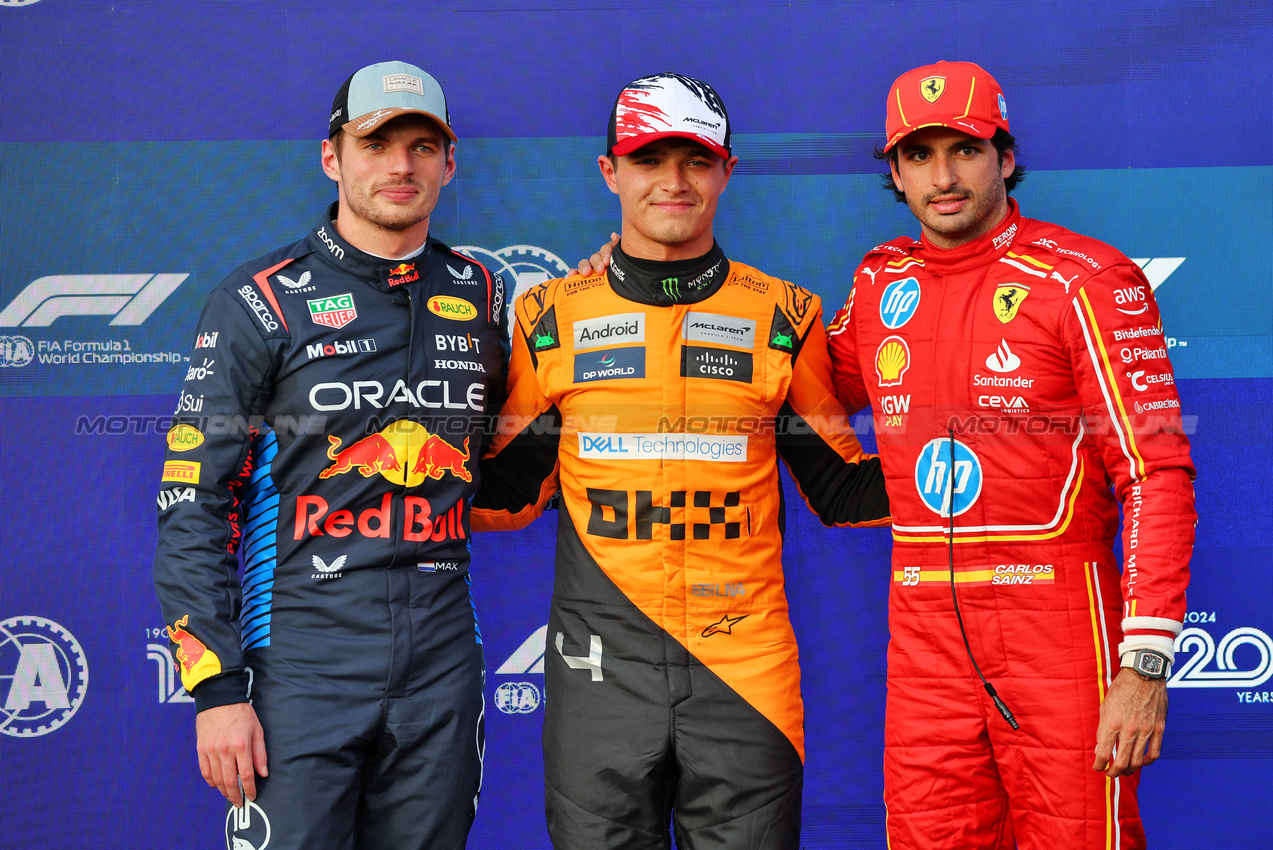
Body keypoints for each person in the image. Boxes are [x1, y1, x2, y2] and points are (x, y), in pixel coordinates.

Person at [472, 72, 890, 849]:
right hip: (599, 675)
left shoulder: (782, 314)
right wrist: (389, 456)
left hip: (745, 671)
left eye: (695, 161)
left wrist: (992, 452)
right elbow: (508, 495)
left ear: (727, 171)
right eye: (648, 160)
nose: (672, 182)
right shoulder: (549, 316)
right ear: (610, 172)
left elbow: (839, 488)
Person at [825, 61, 1196, 849]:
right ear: (893, 172)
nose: (943, 175)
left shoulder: (1084, 278)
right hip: (923, 628)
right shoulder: (879, 279)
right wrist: (644, 281)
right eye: (918, 156)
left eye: (963, 148)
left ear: (1004, 154)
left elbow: (1154, 470)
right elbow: (793, 387)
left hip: (1057, 624)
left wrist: (1144, 664)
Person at [152, 60, 508, 850]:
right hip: (302, 664)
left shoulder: (483, 293)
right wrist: (215, 689)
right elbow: (192, 504)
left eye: (422, 146)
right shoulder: (260, 298)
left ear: (449, 164)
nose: (399, 166)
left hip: (443, 664)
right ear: (331, 156)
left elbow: (509, 460)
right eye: (376, 142)